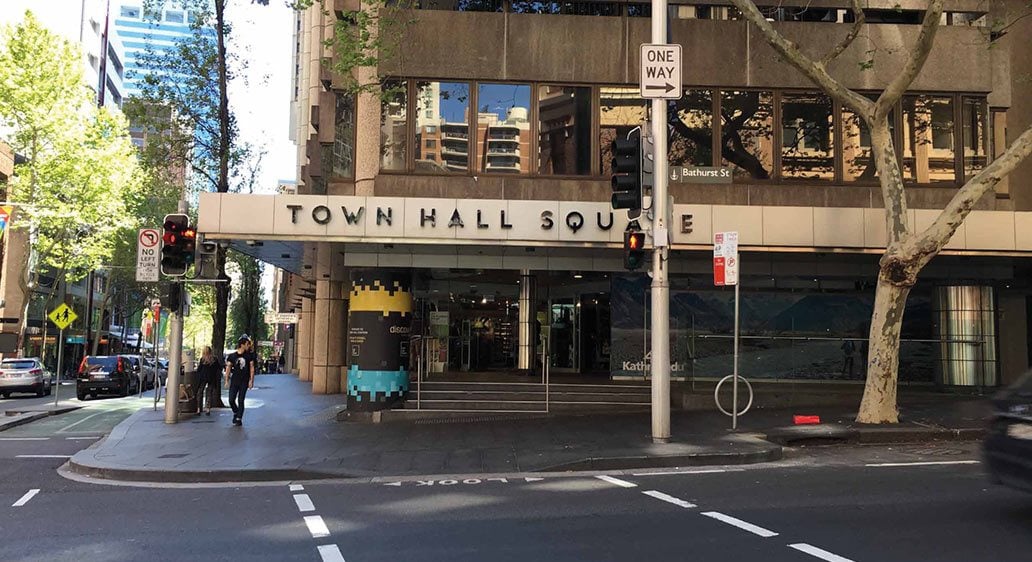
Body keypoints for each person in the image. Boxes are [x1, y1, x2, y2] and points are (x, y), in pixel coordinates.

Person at [224, 336, 255, 426]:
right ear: (242, 345)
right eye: (247, 344)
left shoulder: (249, 356)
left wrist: (251, 381)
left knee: (241, 400)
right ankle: (236, 412)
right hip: (234, 381)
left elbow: (252, 368)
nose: (249, 346)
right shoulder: (232, 356)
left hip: (244, 381)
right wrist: (226, 380)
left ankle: (239, 418)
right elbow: (228, 368)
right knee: (231, 400)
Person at [195, 346, 221, 416]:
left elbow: (199, 369)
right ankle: (208, 409)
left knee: (200, 392)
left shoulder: (202, 359)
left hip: (203, 378)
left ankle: (198, 408)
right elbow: (219, 367)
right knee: (209, 393)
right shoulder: (214, 359)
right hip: (212, 378)